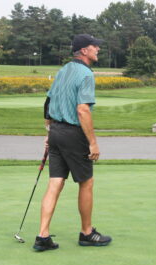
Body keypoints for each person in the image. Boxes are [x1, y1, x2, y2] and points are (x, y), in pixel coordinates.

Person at [33, 34, 112, 251]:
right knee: (86, 182)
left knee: (55, 182)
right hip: (73, 134)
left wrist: (49, 132)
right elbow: (82, 109)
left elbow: (48, 103)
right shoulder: (86, 74)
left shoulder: (63, 70)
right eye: (94, 46)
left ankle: (43, 236)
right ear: (84, 51)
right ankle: (87, 233)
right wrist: (93, 143)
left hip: (56, 131)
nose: (98, 48)